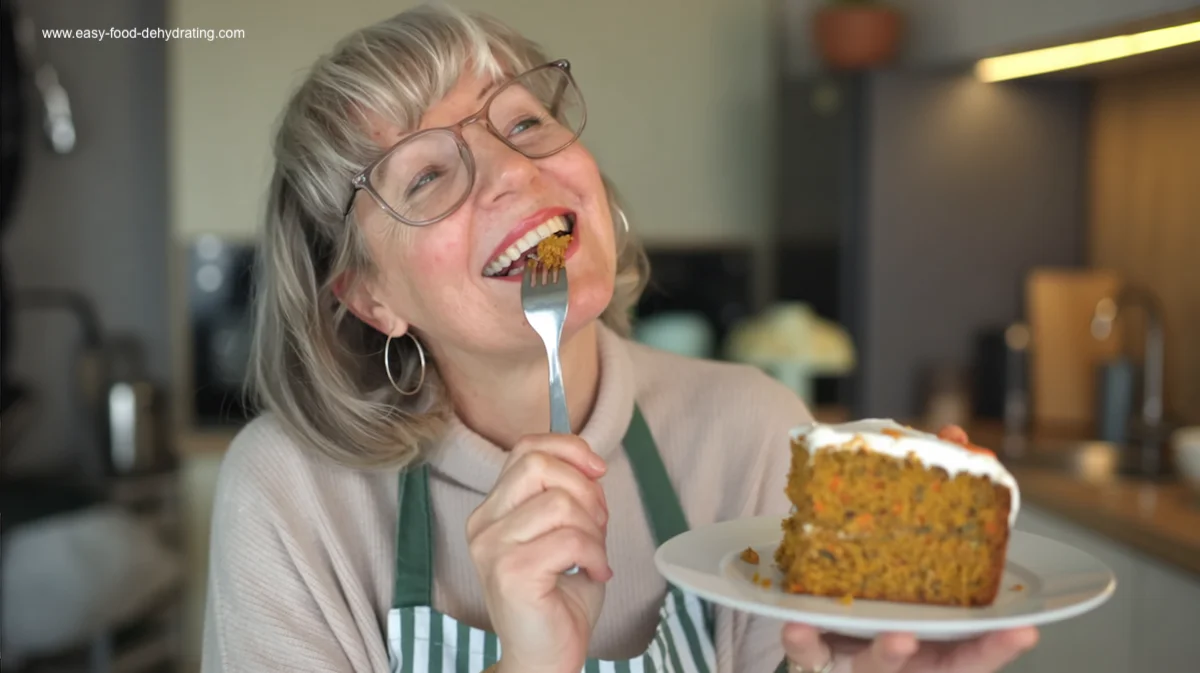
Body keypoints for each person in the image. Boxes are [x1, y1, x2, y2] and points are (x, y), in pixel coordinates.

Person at [200, 5, 1038, 672]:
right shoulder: (293, 494)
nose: (513, 172)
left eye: (523, 124)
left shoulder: (751, 432)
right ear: (370, 295)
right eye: (425, 173)